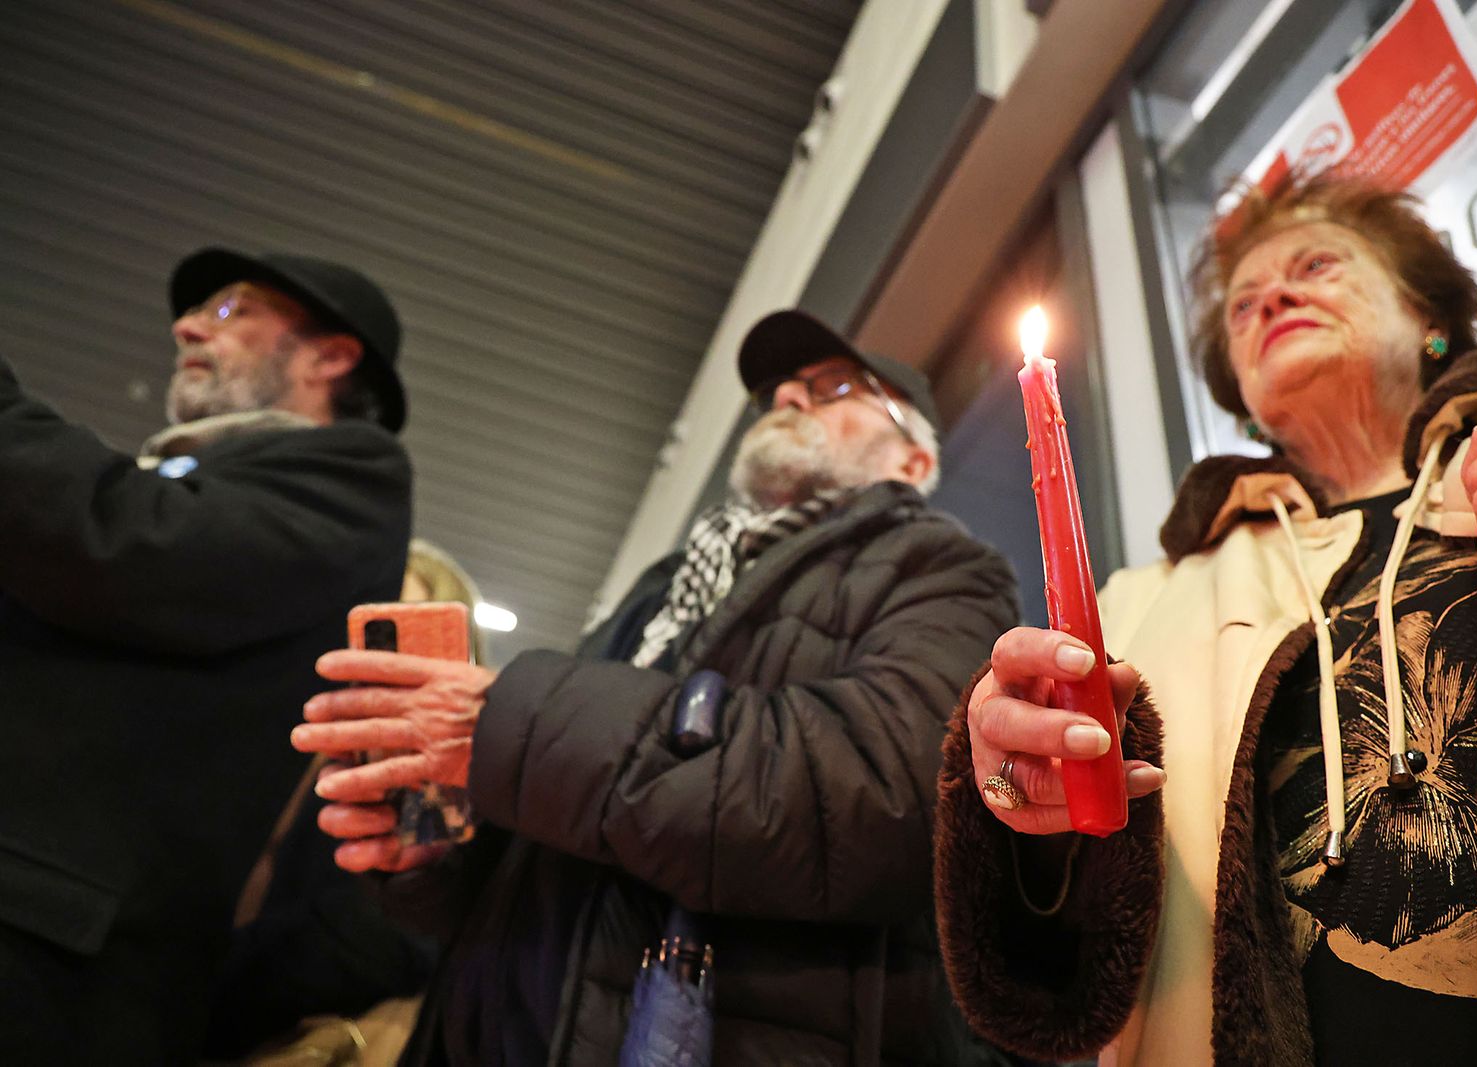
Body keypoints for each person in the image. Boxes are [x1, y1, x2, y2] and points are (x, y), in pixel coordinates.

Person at [933, 171, 1477, 1066]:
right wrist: (1019, 813)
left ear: (1431, 318)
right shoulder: (1144, 598)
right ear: (1244, 393)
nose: (1271, 298)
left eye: (1316, 264)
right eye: (1243, 306)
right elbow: (1069, 968)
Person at [290, 309, 1021, 1064]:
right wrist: (437, 855)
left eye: (833, 387)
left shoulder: (943, 569)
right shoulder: (667, 585)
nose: (789, 400)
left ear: (910, 461)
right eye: (781, 390)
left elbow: (881, 795)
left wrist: (509, 726)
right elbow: (560, 836)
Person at [0, 248, 413, 1064]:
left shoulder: (353, 472)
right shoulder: (200, 469)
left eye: (232, 311)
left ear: (330, 355)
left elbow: (128, 548)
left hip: (57, 956)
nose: (186, 325)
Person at [204, 538, 484, 1065]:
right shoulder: (285, 731)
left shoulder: (449, 781)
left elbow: (392, 937)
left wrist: (212, 993)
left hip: (292, 1028)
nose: (366, 652)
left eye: (393, 633)